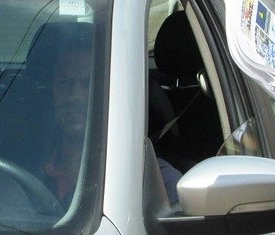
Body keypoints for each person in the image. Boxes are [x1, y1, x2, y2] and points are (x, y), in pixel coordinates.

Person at [44, 37, 181, 205]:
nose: (74, 96)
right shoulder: (28, 162)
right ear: (52, 90)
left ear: (111, 93)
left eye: (88, 84)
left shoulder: (153, 182)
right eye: (64, 83)